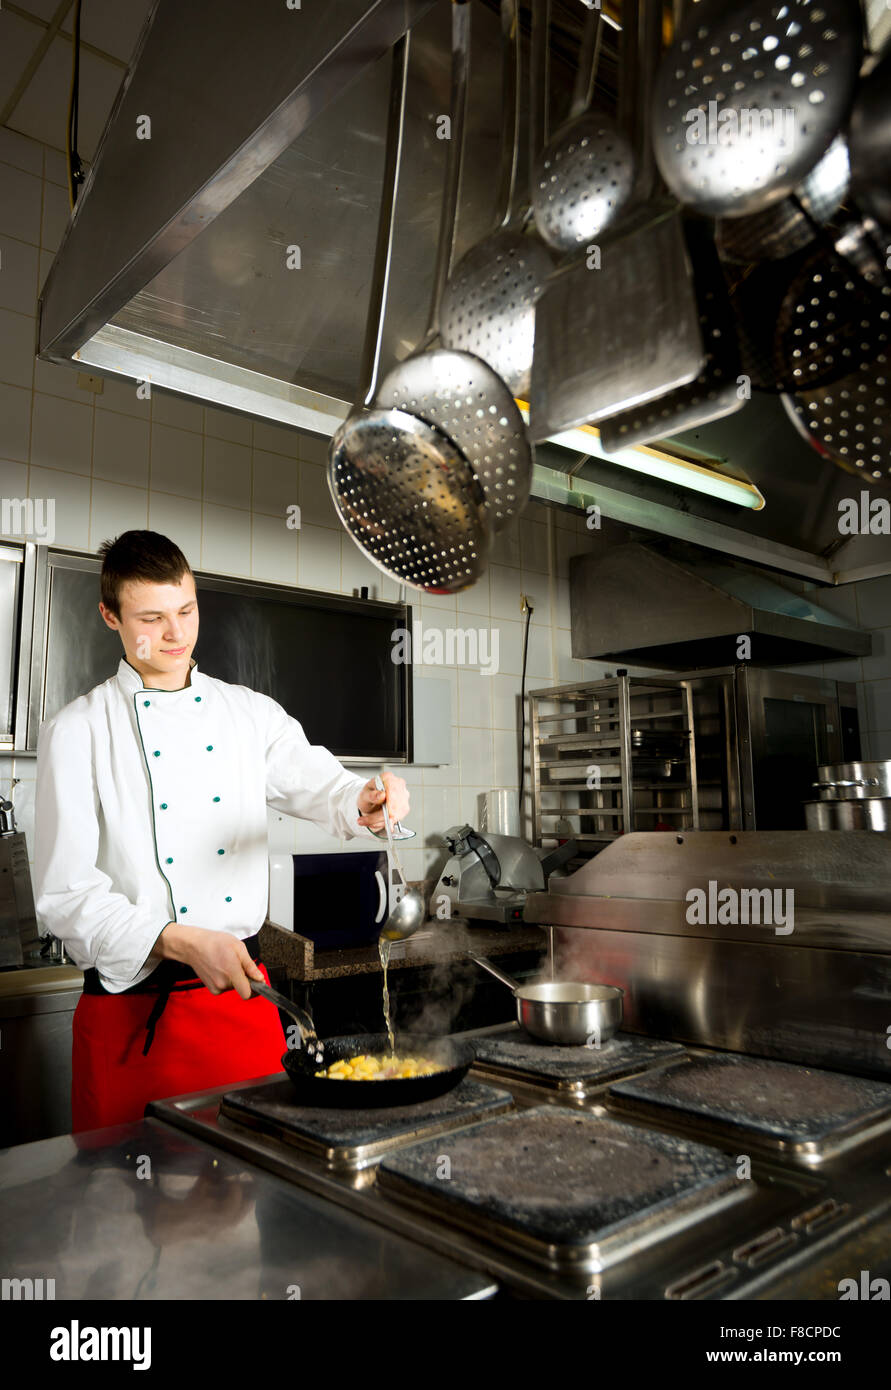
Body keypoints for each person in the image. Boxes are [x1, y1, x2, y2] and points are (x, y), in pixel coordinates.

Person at [33, 530, 409, 1133]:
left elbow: (327, 787)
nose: (177, 634)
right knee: (120, 1212)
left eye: (186, 610)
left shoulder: (247, 713)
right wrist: (178, 939)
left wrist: (365, 798)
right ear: (110, 615)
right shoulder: (78, 731)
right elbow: (66, 897)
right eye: (152, 618)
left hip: (242, 1003)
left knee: (246, 1197)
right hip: (133, 1019)